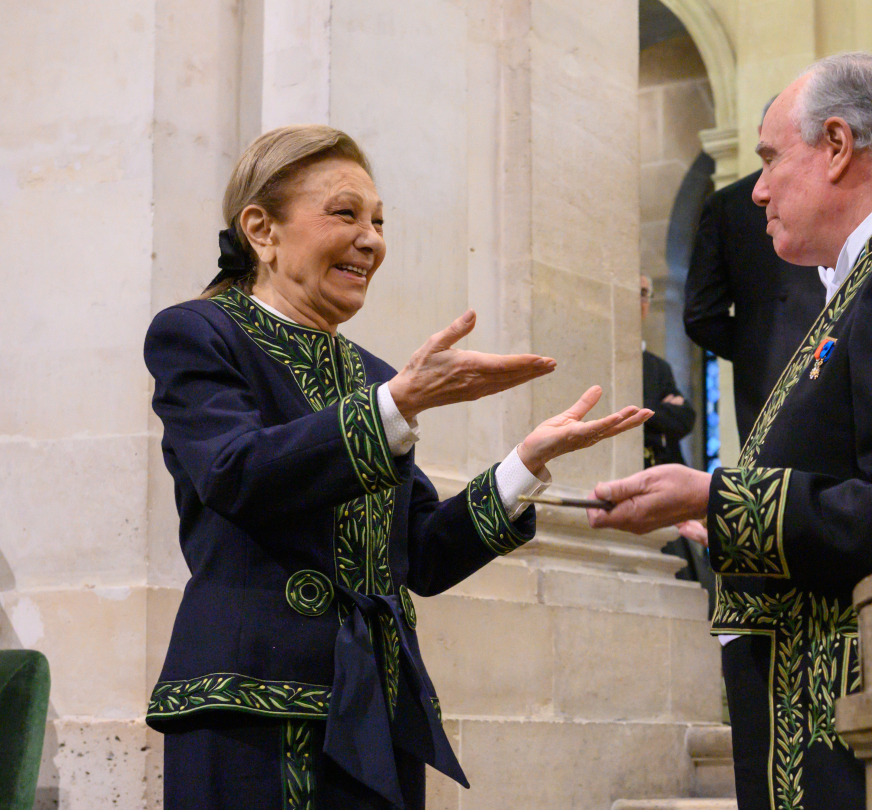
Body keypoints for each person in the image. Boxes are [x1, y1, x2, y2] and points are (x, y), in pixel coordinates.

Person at [588, 53, 872, 810]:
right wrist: (734, 522)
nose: (760, 191)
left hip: (865, 741)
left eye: (771, 159)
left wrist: (721, 499)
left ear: (838, 145)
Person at [143, 124, 652, 810]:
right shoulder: (198, 333)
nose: (371, 240)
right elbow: (236, 473)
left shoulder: (373, 375)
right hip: (250, 704)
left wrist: (522, 468)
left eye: (378, 221)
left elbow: (422, 557)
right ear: (261, 228)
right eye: (345, 214)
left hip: (374, 706)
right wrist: (395, 404)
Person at [683, 102, 826, 442]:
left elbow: (700, 316)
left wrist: (756, 346)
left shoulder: (727, 205)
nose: (764, 195)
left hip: (768, 378)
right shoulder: (732, 204)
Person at [641, 275, 696, 467]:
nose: (639, 301)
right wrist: (660, 409)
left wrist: (645, 411)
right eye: (636, 292)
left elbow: (685, 418)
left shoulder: (659, 367)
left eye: (644, 294)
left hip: (663, 463)